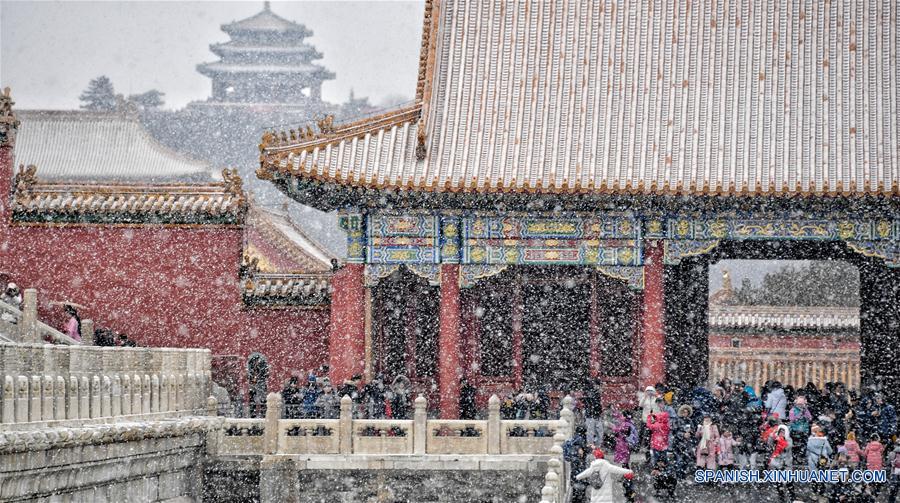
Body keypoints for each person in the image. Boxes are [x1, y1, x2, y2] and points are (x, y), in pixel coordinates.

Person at [788, 395, 813, 464]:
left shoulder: (806, 410)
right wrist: (799, 416)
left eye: (802, 404)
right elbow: (791, 419)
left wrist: (805, 415)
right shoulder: (792, 410)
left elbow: (810, 418)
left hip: (804, 430)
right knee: (795, 445)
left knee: (804, 445)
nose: (800, 406)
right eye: (799, 404)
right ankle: (795, 458)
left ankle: (801, 457)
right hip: (795, 430)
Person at [583, 380, 604, 448]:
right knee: (592, 432)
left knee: (596, 432)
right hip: (592, 415)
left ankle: (595, 446)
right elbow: (592, 404)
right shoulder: (592, 392)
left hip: (594, 415)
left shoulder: (594, 392)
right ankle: (593, 446)